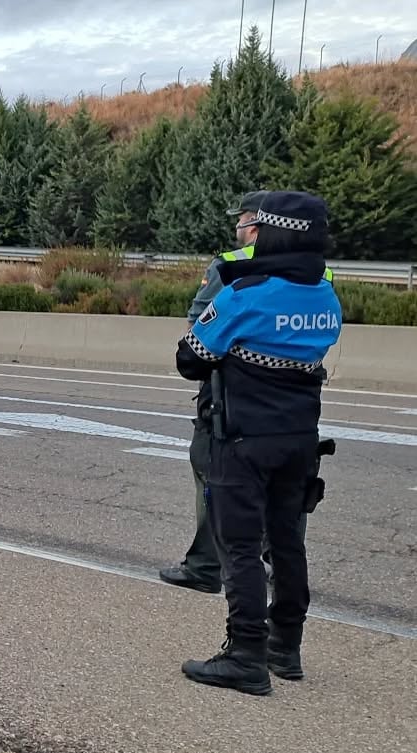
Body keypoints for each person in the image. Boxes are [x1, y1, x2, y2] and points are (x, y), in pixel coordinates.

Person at [176, 190, 342, 696]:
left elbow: (191, 357)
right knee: (287, 541)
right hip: (300, 439)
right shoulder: (325, 296)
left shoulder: (245, 292)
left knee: (241, 546)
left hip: (242, 437)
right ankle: (285, 647)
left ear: (269, 232)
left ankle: (246, 653)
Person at [159, 190, 266, 594]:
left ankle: (206, 565)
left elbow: (198, 330)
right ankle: (271, 558)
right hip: (285, 402)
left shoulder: (230, 266)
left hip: (228, 395)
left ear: (254, 226)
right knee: (279, 479)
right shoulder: (313, 272)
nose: (236, 228)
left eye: (241, 221)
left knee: (208, 468)